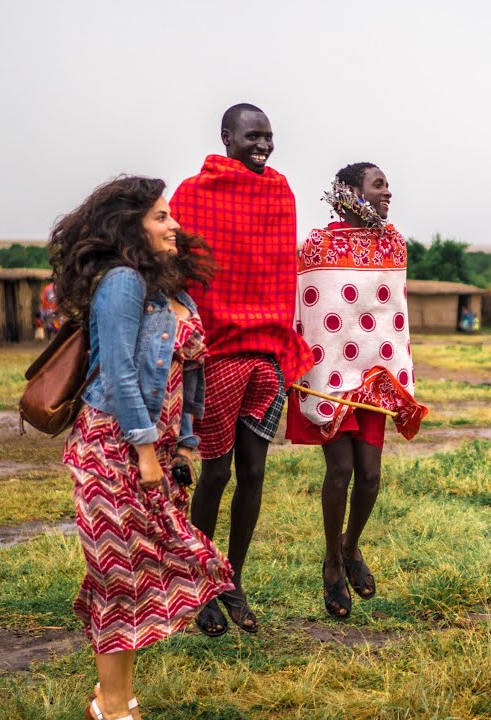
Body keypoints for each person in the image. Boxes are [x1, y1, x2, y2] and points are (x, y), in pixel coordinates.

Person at [48, 176, 233, 720]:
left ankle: (119, 698)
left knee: (134, 571)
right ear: (130, 225)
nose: (173, 224)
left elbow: (188, 370)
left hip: (156, 451)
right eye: (159, 216)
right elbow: (122, 375)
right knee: (117, 572)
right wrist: (147, 451)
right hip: (112, 448)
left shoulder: (169, 290)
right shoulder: (123, 283)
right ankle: (111, 706)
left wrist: (183, 444)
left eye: (169, 214)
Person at [169, 103, 312, 636]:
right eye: (253, 135)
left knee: (254, 471)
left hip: (267, 352)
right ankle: (199, 582)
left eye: (270, 137)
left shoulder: (281, 193)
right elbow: (181, 271)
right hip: (215, 355)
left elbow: (279, 271)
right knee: (217, 471)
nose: (264, 145)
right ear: (226, 136)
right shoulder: (192, 194)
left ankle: (234, 579)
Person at [285, 163, 429, 619]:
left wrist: (396, 366)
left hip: (377, 374)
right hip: (331, 375)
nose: (389, 192)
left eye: (387, 184)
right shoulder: (316, 244)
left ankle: (351, 547)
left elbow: (392, 311)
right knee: (341, 470)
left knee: (370, 476)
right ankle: (331, 562)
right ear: (350, 193)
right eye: (379, 185)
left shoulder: (394, 243)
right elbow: (306, 303)